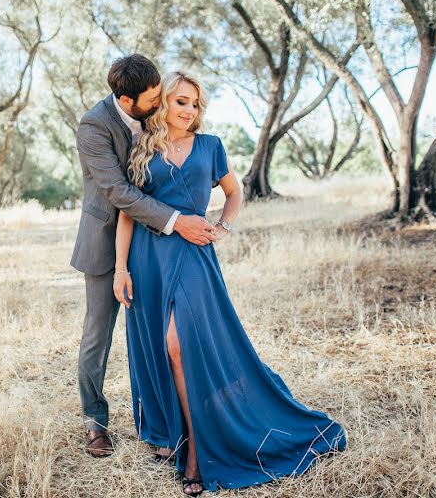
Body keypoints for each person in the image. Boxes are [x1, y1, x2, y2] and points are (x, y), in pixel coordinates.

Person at [113, 71, 346, 495]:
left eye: (196, 104)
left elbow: (235, 193)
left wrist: (223, 227)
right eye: (181, 101)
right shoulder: (141, 149)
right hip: (148, 258)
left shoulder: (211, 146)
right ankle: (177, 432)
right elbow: (128, 210)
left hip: (194, 253)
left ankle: (200, 450)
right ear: (163, 101)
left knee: (181, 346)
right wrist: (120, 268)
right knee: (162, 348)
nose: (189, 110)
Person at [71, 55, 217, 458]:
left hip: (159, 251)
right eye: (152, 99)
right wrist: (177, 220)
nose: (159, 103)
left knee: (163, 339)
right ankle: (95, 423)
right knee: (97, 337)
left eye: (160, 95)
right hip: (107, 243)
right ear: (126, 98)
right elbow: (119, 192)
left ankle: (173, 422)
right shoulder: (94, 126)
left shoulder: (158, 117)